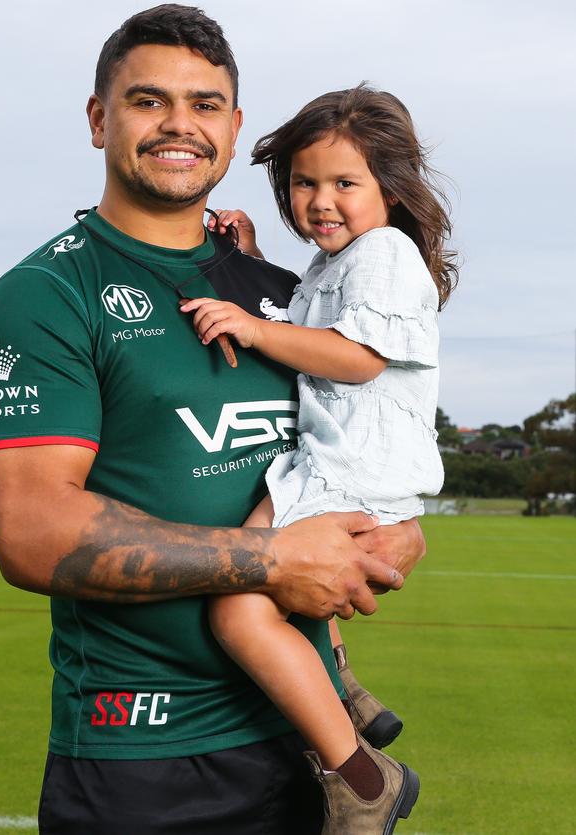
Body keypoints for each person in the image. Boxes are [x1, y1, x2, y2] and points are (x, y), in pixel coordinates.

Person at [0, 5, 425, 835]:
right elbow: (33, 529)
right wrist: (271, 559)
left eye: (205, 104)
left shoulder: (279, 290)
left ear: (235, 124)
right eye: (149, 101)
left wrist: (398, 528)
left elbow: (366, 418)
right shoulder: (46, 294)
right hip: (144, 761)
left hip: (303, 749)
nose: (180, 123)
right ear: (100, 117)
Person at [182, 84, 458, 833]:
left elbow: (356, 356)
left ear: (390, 190)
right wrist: (255, 262)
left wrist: (250, 325)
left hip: (356, 468)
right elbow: (312, 318)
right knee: (262, 569)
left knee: (238, 605)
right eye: (305, 182)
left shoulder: (387, 252)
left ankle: (362, 777)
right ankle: (342, 689)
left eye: (345, 183)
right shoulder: (335, 263)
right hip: (329, 460)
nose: (321, 199)